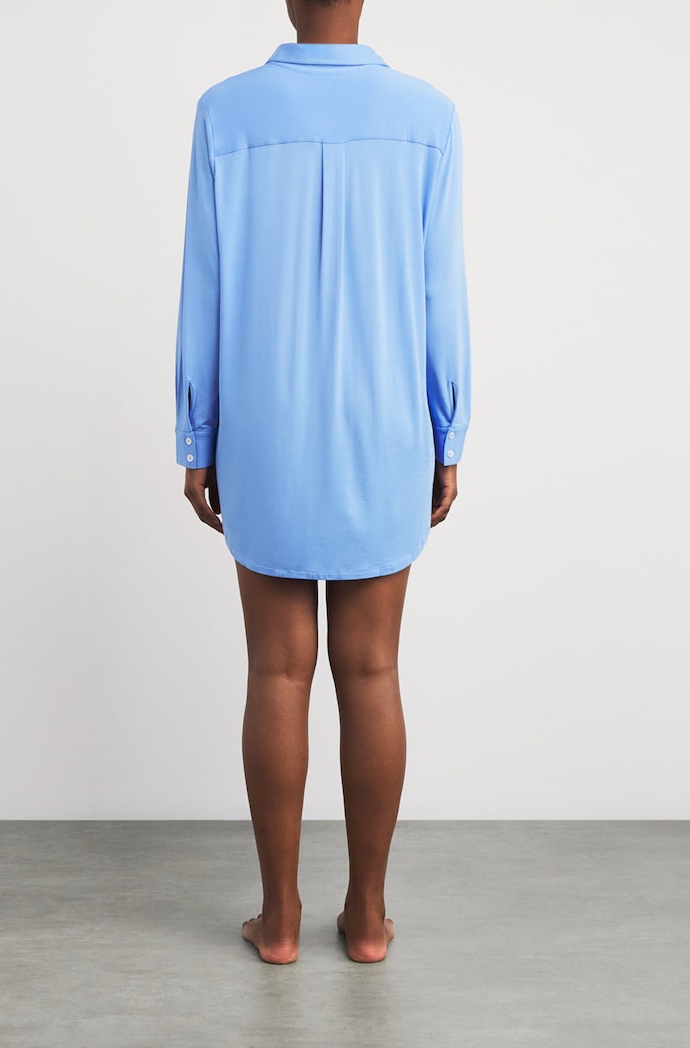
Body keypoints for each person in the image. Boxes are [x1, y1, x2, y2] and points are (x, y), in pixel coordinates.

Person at [174, 0, 471, 964]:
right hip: (385, 430)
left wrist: (196, 433)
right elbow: (440, 291)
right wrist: (449, 430)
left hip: (264, 429)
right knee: (373, 668)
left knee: (276, 670)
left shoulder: (226, 111)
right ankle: (369, 918)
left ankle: (280, 920)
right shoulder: (427, 116)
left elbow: (206, 284)